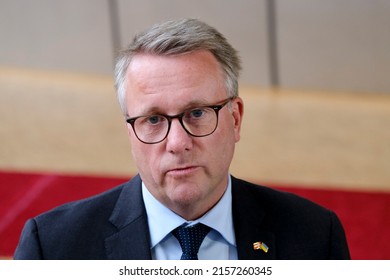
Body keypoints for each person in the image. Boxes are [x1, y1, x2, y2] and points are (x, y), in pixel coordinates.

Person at [14, 18, 350, 260]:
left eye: (198, 113)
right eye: (154, 119)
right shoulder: (53, 249)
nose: (177, 143)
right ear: (130, 132)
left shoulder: (316, 236)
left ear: (235, 119)